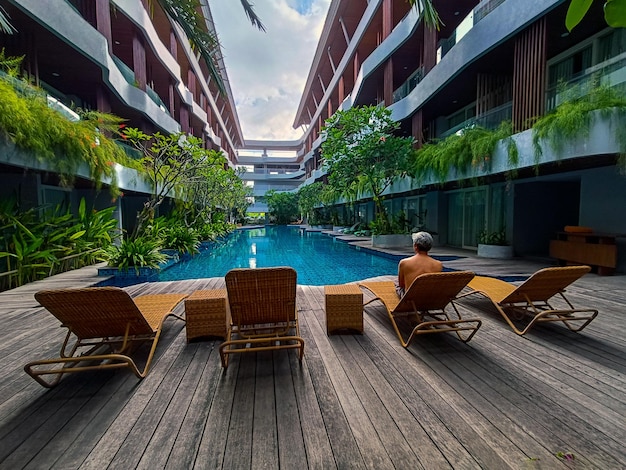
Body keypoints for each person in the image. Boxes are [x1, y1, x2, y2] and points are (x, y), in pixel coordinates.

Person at [395, 231, 442, 297]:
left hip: (410, 300)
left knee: (396, 283)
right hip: (429, 298)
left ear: (415, 246)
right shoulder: (438, 264)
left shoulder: (404, 263)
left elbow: (401, 284)